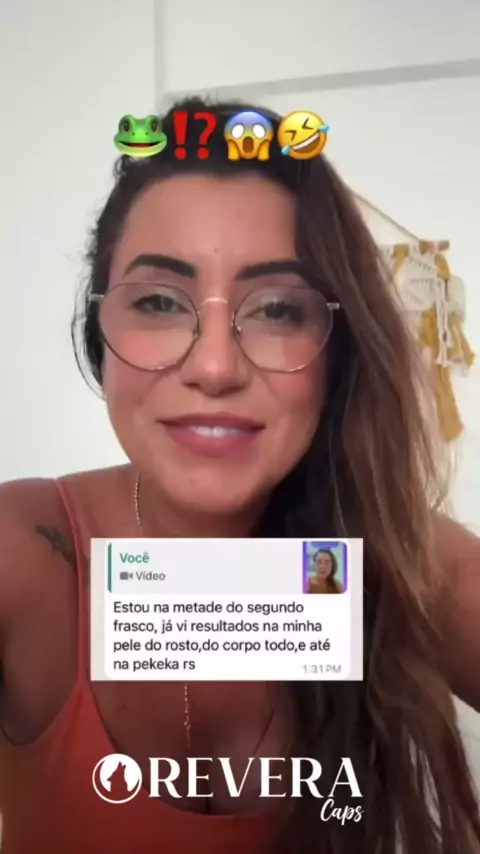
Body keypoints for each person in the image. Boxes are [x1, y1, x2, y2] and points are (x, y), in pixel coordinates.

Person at [0, 97, 479, 854]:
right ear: (99, 331)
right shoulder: (24, 554)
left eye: (278, 310)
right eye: (160, 302)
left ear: (338, 348)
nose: (216, 367)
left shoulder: (406, 559)